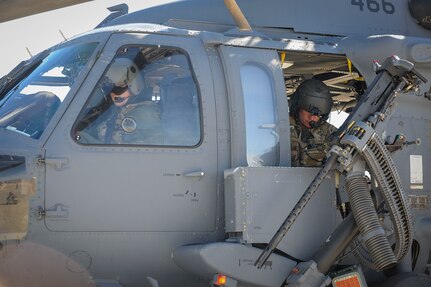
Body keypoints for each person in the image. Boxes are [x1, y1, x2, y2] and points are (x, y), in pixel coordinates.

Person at [95, 57, 162, 145]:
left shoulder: (143, 114)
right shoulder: (126, 110)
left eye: (117, 89)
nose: (113, 94)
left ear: (135, 85)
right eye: (107, 89)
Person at [289, 79, 337, 167]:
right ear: (298, 107)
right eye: (308, 112)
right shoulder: (281, 128)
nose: (312, 118)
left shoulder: (330, 133)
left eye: (318, 115)